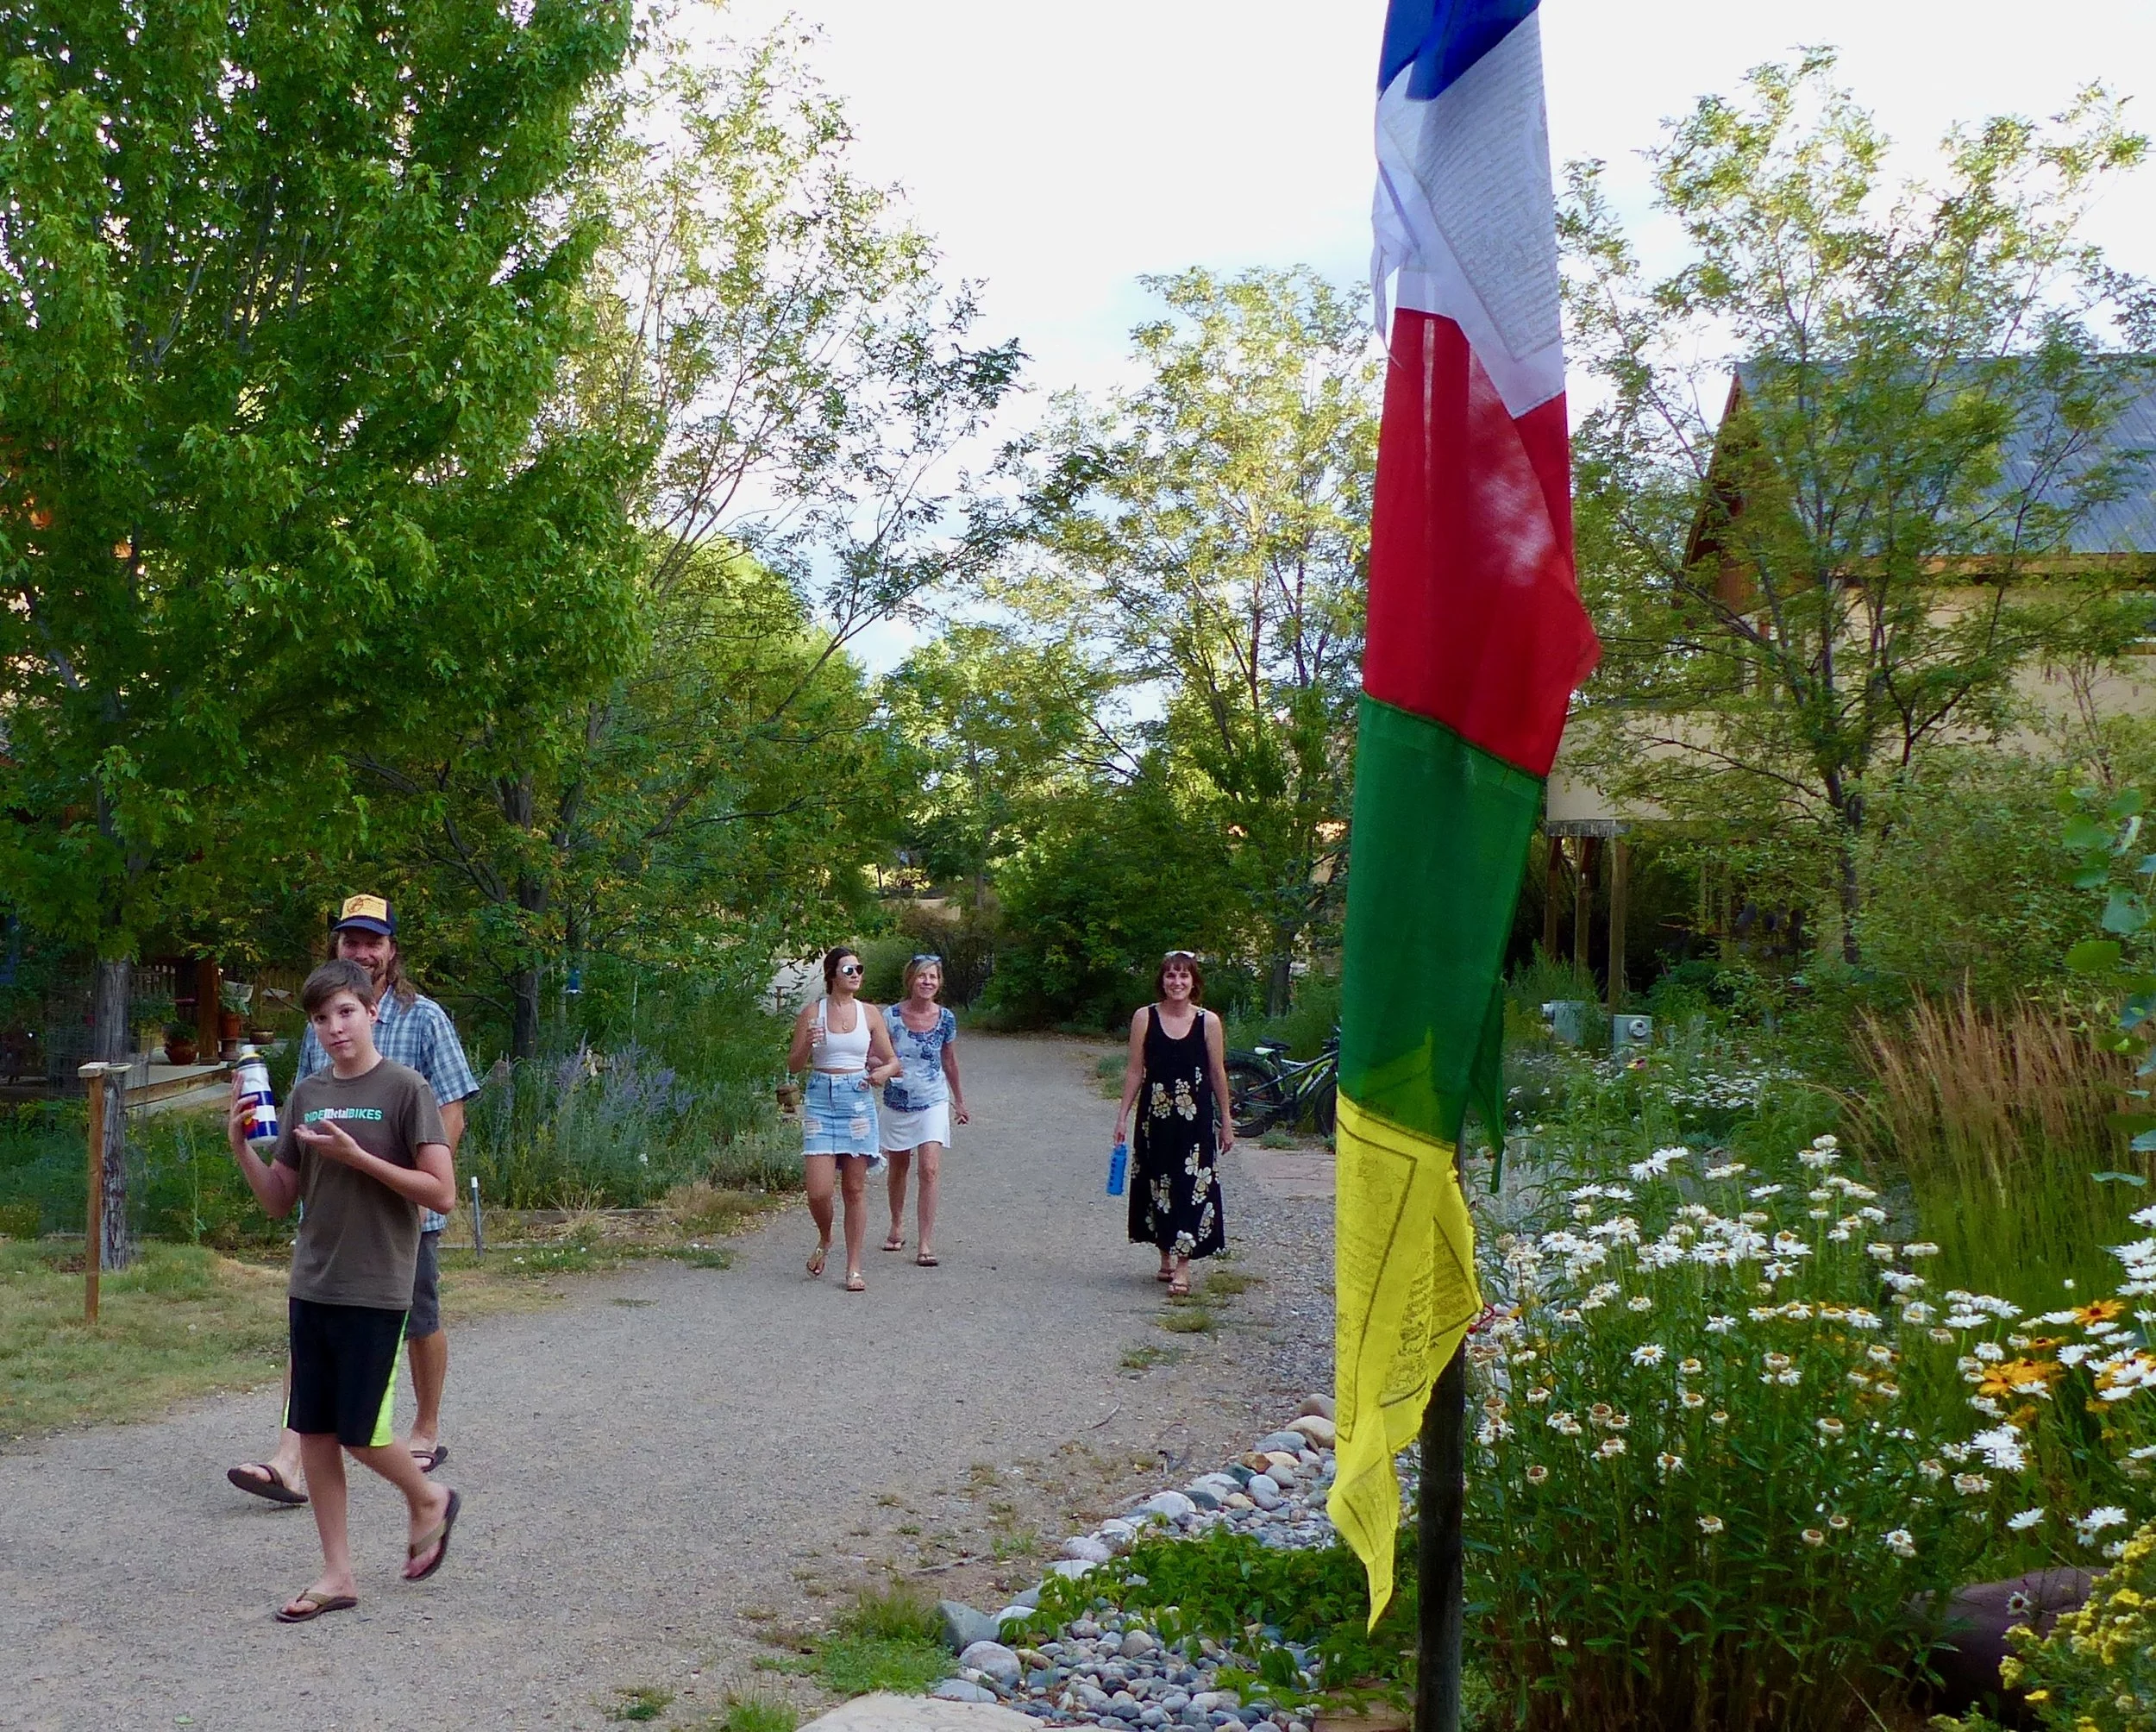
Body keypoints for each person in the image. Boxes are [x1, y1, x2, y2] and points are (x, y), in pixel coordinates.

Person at [225, 958, 461, 1621]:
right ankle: (337, 1574)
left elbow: (440, 1192)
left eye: (345, 1013)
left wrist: (358, 1158)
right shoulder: (305, 1094)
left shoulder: (406, 1089)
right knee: (317, 1432)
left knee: (360, 1434)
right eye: (321, 1018)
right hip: (313, 1283)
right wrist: (242, 1148)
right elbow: (279, 1201)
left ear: (371, 1012)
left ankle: (429, 1499)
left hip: (377, 1285)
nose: (334, 1028)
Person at [1112, 950, 1232, 1296]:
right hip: (1156, 1118)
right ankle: (1165, 1254)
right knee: (1157, 1185)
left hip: (1195, 1122)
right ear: (1161, 981)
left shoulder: (1208, 1022)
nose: (1176, 982)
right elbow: (1135, 1070)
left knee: (1189, 1187)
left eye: (1183, 976)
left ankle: (1183, 1266)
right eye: (1170, 976)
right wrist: (1122, 1116)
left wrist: (1226, 1119)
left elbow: (1217, 1072)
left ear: (1194, 982)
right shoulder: (1144, 1018)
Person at [787, 946, 899, 1292]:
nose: (856, 975)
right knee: (818, 1192)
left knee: (854, 1188)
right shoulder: (812, 1013)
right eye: (848, 970)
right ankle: (826, 1235)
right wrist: (807, 1043)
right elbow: (792, 1066)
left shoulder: (870, 1014)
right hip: (821, 1098)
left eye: (859, 969)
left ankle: (853, 1268)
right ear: (832, 975)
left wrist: (882, 1074)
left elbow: (892, 1060)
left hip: (857, 1099)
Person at [879, 954, 968, 1266]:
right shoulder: (889, 1017)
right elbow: (874, 1057)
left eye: (933, 977)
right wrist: (883, 1070)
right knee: (898, 1167)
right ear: (910, 980)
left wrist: (959, 1100)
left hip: (933, 1099)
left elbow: (950, 1061)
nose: (927, 982)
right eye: (921, 976)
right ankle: (896, 1225)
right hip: (897, 1102)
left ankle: (926, 1243)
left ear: (939, 983)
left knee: (929, 1168)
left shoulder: (946, 1019)